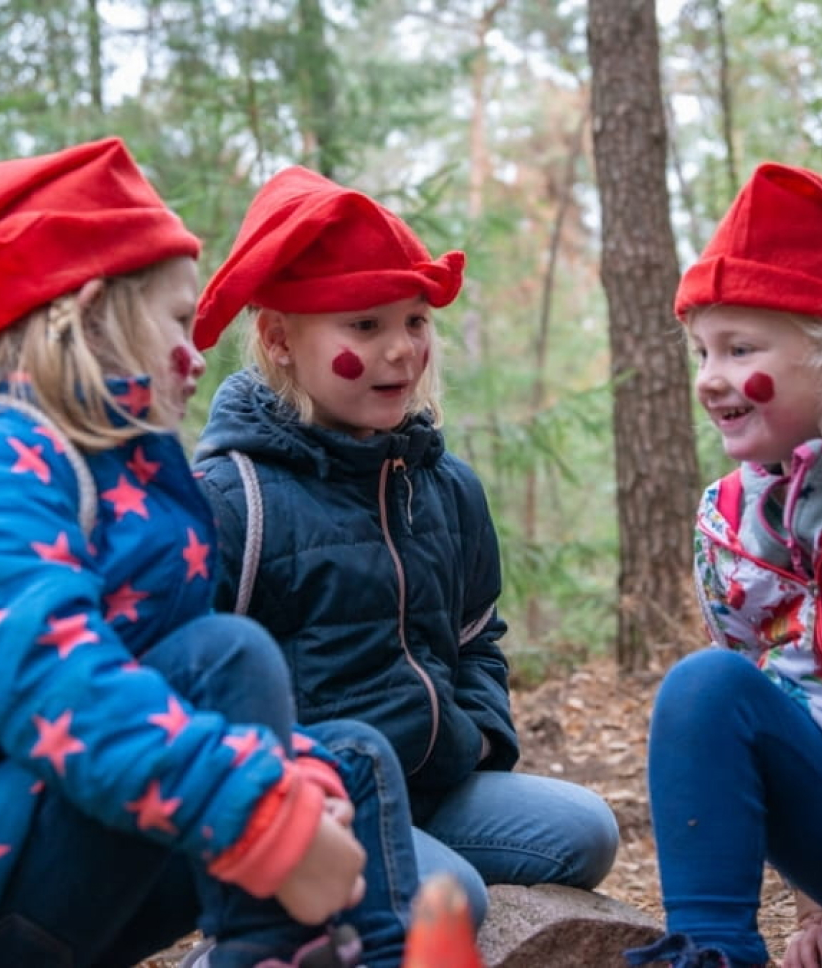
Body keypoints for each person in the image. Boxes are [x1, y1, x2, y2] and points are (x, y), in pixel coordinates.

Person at [0, 139, 420, 968]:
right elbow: (58, 686)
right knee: (224, 657)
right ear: (92, 314)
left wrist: (293, 790)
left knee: (348, 762)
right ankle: (268, 951)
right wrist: (264, 815)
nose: (199, 350)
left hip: (39, 842)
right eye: (180, 321)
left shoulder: (114, 471)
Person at [189, 166, 620, 929]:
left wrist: (481, 735)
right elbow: (194, 675)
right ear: (280, 338)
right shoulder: (233, 498)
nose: (399, 350)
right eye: (365, 326)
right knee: (453, 900)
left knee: (585, 833)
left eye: (414, 322)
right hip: (316, 803)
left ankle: (408, 857)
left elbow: (476, 637)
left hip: (434, 784)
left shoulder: (445, 486)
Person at [625, 163, 822, 968]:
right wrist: (816, 899)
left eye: (740, 347)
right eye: (702, 350)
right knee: (704, 687)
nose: (710, 377)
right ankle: (712, 950)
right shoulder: (729, 525)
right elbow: (774, 705)